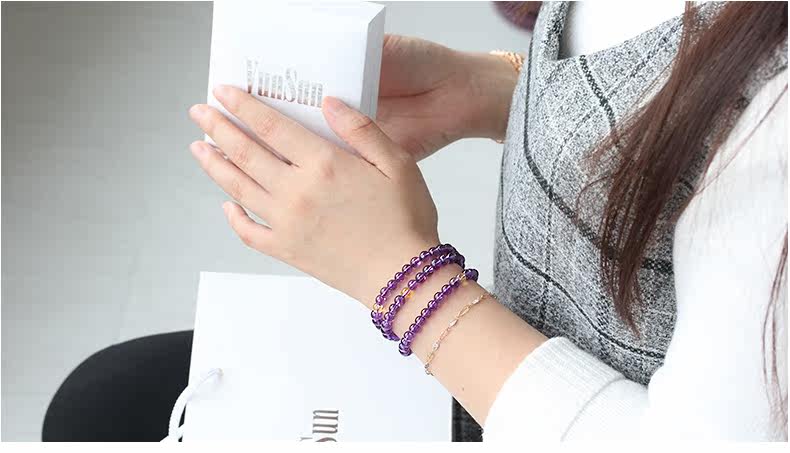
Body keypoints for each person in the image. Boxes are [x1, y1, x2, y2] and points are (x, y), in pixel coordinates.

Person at [44, 1, 788, 441]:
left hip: (555, 411)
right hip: (512, 370)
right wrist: (500, 91)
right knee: (106, 399)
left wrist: (402, 280)